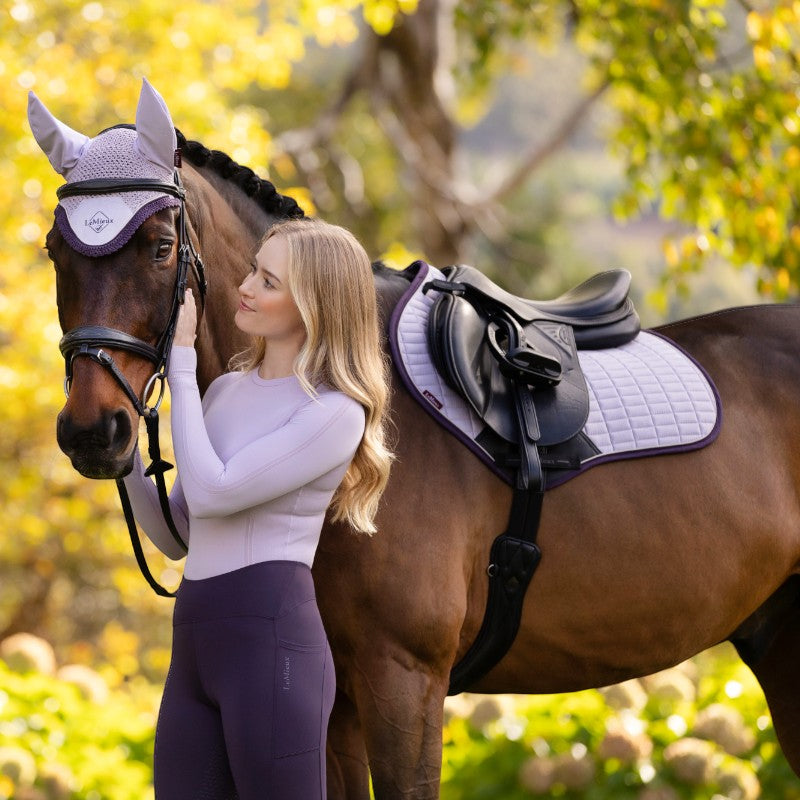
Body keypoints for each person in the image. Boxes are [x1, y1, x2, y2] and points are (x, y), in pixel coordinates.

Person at [122, 217, 393, 799]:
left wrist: (183, 363)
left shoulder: (333, 412)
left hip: (271, 649)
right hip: (194, 641)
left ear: (313, 306)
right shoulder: (223, 393)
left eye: (268, 282)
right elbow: (180, 534)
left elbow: (217, 488)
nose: (244, 287)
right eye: (252, 269)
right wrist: (122, 465)